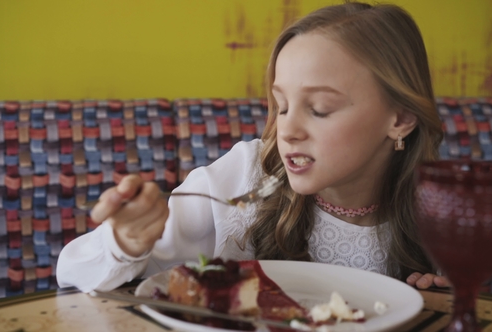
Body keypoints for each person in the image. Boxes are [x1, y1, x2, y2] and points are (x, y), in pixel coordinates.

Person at [57, 1, 449, 292]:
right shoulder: (242, 180)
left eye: (319, 109)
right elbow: (73, 275)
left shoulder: (439, 210)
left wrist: (442, 303)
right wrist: (127, 242)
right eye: (282, 105)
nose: (287, 129)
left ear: (399, 119)